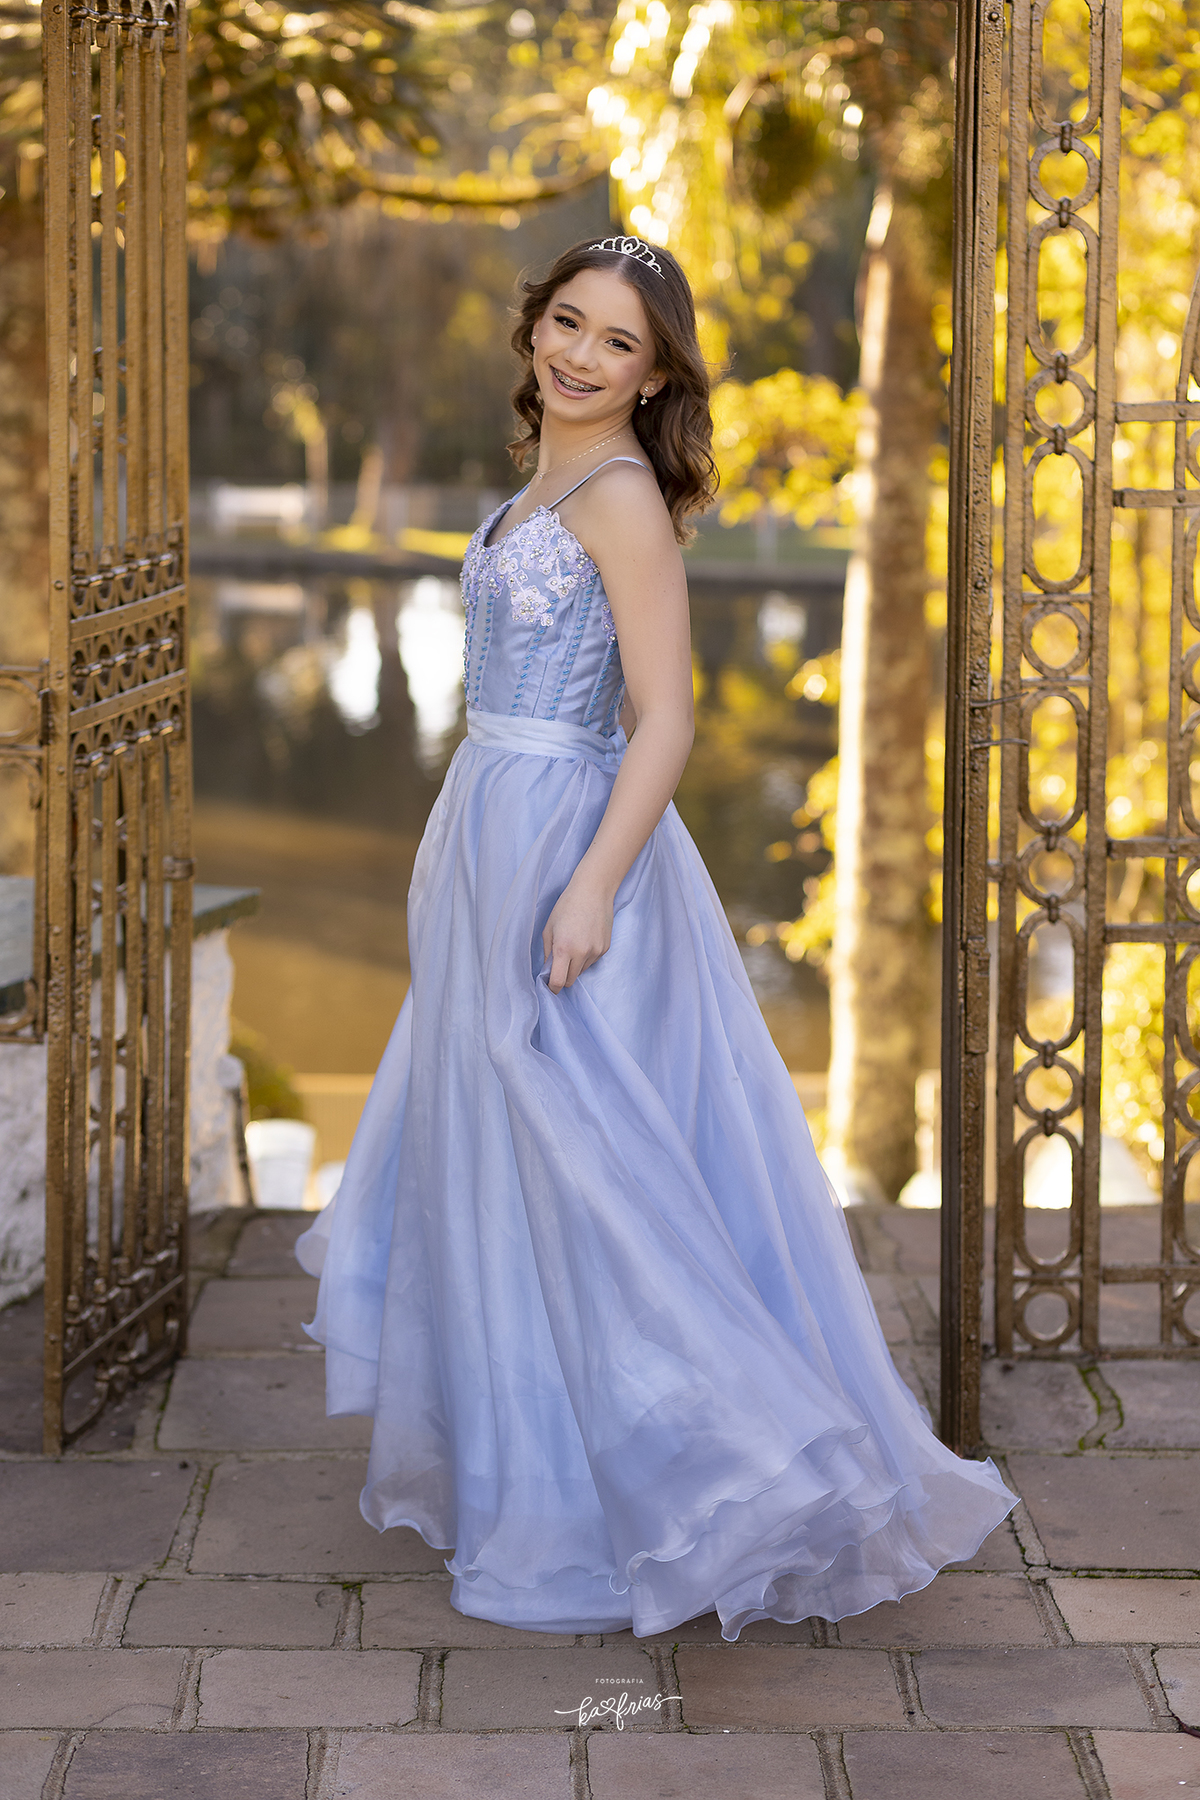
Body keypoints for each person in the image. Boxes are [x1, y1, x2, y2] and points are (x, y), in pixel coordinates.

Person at [295, 234, 1015, 1641]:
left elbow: (668, 718)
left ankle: (713, 1473)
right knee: (503, 1167)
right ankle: (541, 1472)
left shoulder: (621, 498)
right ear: (534, 327)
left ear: (655, 372)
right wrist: (463, 858)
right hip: (491, 824)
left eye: (616, 342)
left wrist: (588, 890)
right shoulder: (542, 479)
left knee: (595, 1169)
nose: (579, 354)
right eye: (567, 322)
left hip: (576, 839)